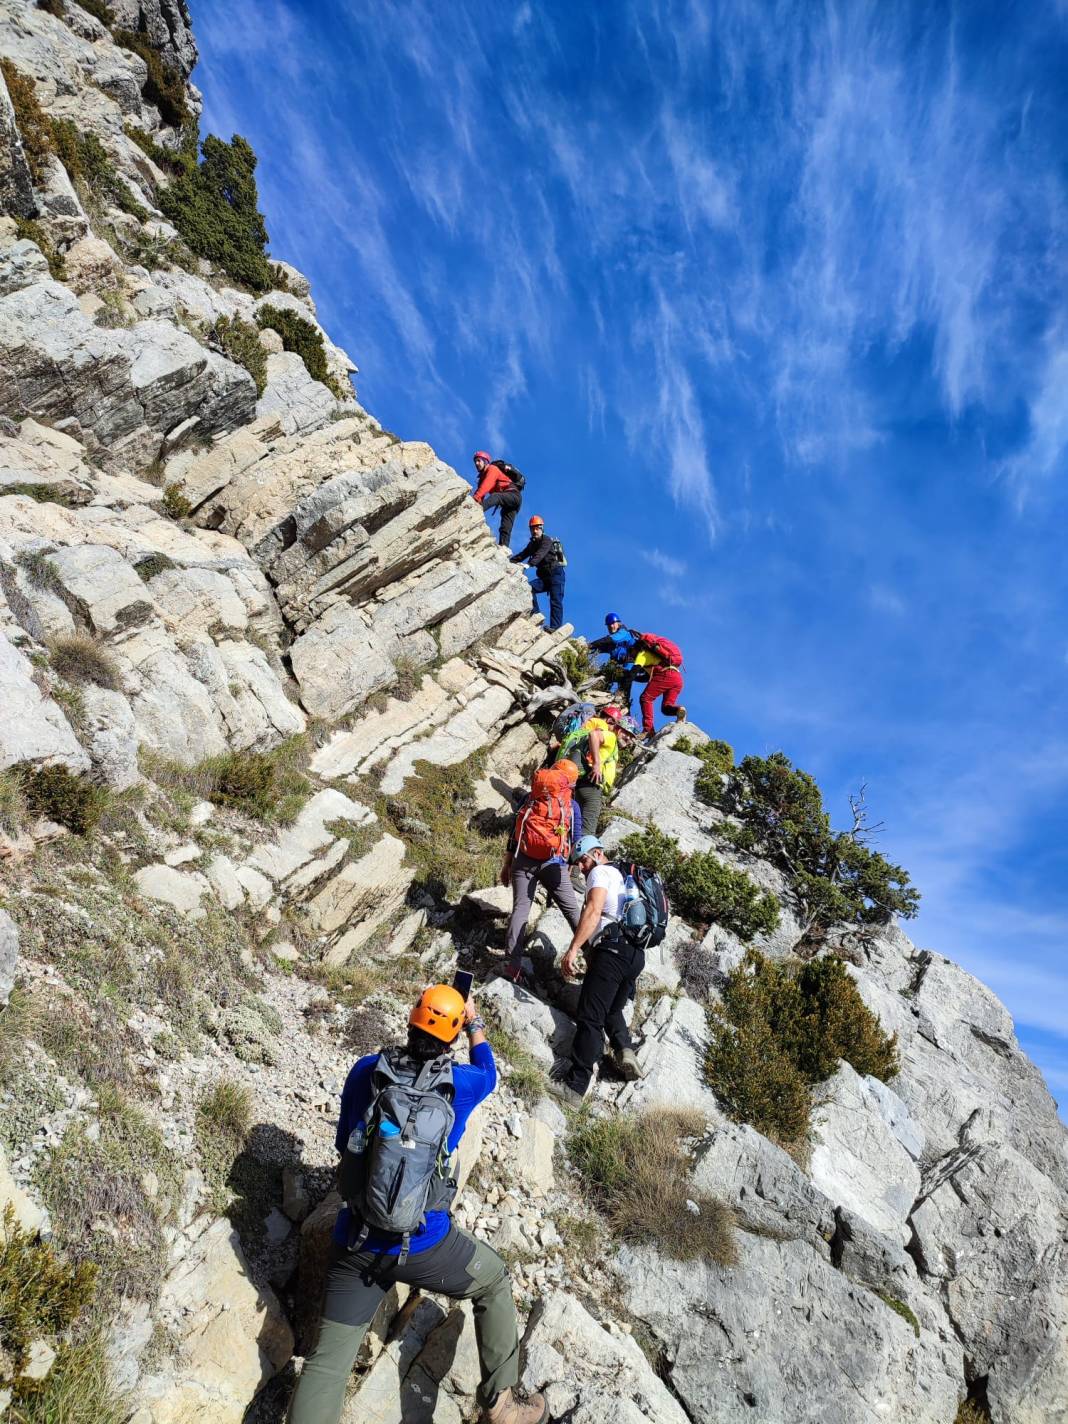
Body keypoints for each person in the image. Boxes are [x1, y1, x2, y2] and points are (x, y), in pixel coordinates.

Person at [287, 986, 547, 1424]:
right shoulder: (460, 1085)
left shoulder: (366, 1071)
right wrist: (476, 1025)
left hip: (357, 1242)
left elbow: (344, 1144)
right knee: (494, 1281)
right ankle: (501, 1405)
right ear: (453, 1033)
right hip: (426, 1245)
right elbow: (489, 1071)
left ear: (409, 1021)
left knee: (328, 1364)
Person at [549, 836, 644, 1107]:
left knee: (590, 1017)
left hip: (611, 952)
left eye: (584, 858)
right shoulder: (625, 879)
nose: (582, 866)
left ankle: (573, 1088)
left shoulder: (601, 872)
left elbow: (593, 911)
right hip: (635, 954)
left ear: (598, 853)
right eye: (579, 862)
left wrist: (573, 949)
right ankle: (625, 1049)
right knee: (611, 1009)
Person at [500, 759, 582, 982]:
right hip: (554, 864)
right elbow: (576, 842)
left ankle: (512, 965)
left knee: (520, 911)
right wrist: (567, 866)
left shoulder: (531, 798)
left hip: (523, 859)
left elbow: (515, 833)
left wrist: (507, 865)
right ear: (570, 785)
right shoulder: (571, 806)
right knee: (573, 912)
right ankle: (594, 958)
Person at [556, 704, 637, 839]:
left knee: (573, 826)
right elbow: (594, 735)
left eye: (631, 736)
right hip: (592, 786)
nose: (628, 738)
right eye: (626, 733)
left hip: (581, 783)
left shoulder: (610, 741)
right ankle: (582, 857)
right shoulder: (610, 737)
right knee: (587, 832)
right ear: (617, 728)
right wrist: (597, 765)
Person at [510, 516, 566, 630]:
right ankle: (536, 614)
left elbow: (540, 554)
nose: (535, 531)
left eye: (537, 528)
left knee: (555, 601)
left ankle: (555, 628)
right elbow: (522, 555)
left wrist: (529, 564)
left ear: (541, 528)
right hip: (545, 578)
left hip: (556, 574)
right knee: (528, 587)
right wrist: (508, 561)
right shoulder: (532, 545)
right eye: (532, 529)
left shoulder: (547, 540)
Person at [628, 629, 686, 739]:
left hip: (666, 674)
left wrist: (626, 677)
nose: (631, 657)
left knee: (645, 698)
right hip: (677, 678)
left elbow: (634, 672)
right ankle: (680, 710)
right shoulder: (655, 655)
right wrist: (635, 678)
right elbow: (647, 678)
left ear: (634, 649)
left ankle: (648, 730)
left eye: (630, 653)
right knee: (666, 708)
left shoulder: (642, 655)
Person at [585, 613, 643, 709]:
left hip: (630, 665)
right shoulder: (612, 643)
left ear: (618, 623)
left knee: (624, 690)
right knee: (603, 677)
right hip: (621, 668)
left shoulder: (624, 633)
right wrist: (585, 649)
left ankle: (625, 713)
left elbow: (609, 640)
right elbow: (599, 648)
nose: (611, 626)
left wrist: (590, 645)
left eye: (613, 623)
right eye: (609, 625)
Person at [471, 451, 523, 548]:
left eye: (478, 461)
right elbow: (480, 495)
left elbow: (486, 486)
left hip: (513, 495)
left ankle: (477, 511)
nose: (476, 464)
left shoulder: (492, 469)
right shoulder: (481, 478)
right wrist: (475, 501)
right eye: (475, 462)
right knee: (505, 527)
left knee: (496, 496)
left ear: (486, 461)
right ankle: (504, 549)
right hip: (508, 501)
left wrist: (474, 507)